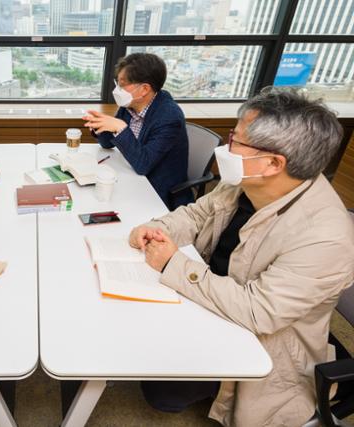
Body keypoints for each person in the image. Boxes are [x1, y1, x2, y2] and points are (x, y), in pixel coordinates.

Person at [129, 88, 354, 426]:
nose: (226, 147)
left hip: (264, 339)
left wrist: (173, 264)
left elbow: (256, 312)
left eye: (236, 140)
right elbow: (195, 214)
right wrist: (156, 227)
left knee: (161, 391)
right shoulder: (250, 181)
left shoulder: (325, 237)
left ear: (274, 163)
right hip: (217, 293)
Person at [83, 52, 191, 210]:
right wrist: (100, 126)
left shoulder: (169, 117)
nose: (117, 90)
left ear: (144, 89)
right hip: (131, 174)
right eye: (117, 83)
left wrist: (119, 127)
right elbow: (107, 144)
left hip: (156, 191)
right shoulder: (130, 105)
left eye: (122, 84)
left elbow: (143, 164)